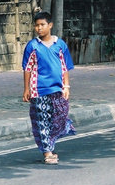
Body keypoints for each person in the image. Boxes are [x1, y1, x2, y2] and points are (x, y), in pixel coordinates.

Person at [22, 10, 76, 164]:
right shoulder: (32, 46)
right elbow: (27, 68)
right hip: (38, 90)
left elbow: (64, 67)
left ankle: (51, 141)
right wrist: (26, 89)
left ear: (50, 25)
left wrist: (66, 86)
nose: (39, 28)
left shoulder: (60, 44)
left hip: (58, 89)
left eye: (42, 25)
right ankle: (47, 152)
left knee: (62, 113)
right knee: (43, 120)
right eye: (37, 25)